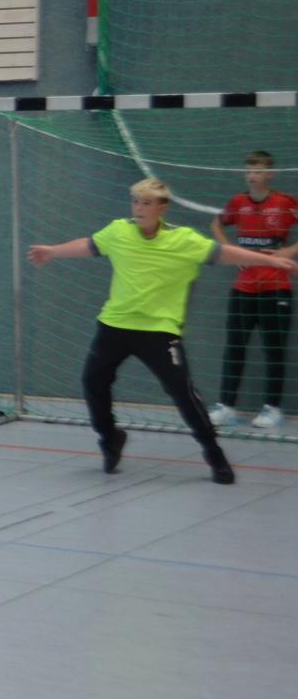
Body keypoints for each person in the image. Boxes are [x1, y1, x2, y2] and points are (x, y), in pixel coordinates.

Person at [28, 177, 298, 484]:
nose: (139, 208)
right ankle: (110, 437)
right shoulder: (118, 231)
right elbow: (88, 245)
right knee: (93, 381)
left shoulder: (184, 240)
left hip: (159, 331)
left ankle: (214, 454)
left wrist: (271, 262)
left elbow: (224, 253)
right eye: (135, 201)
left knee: (182, 392)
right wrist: (53, 251)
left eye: (146, 203)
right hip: (114, 326)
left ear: (162, 208)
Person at [207, 151, 298, 430]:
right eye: (248, 171)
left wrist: (289, 251)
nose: (252, 176)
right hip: (243, 288)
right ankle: (226, 406)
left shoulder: (284, 203)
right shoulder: (238, 202)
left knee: (274, 349)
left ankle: (272, 408)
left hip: (276, 288)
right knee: (234, 347)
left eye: (257, 171)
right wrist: (231, 251)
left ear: (270, 174)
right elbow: (216, 223)